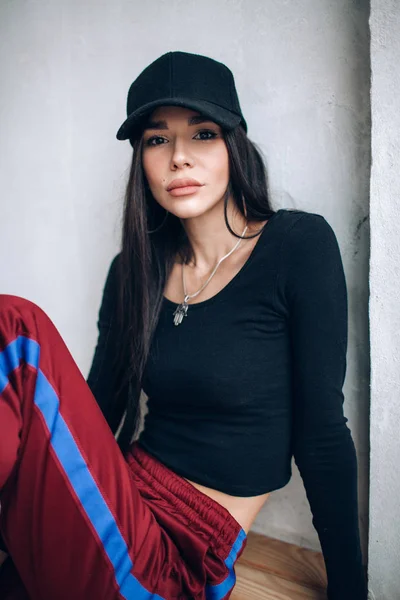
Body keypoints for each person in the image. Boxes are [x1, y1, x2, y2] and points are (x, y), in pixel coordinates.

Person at [0, 51, 367, 599]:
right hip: (119, 497)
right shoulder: (133, 270)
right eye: (156, 140)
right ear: (140, 160)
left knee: (15, 328)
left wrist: (351, 590)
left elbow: (321, 434)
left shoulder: (297, 247)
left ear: (233, 145)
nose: (178, 159)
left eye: (201, 134)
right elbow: (100, 407)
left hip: (179, 552)